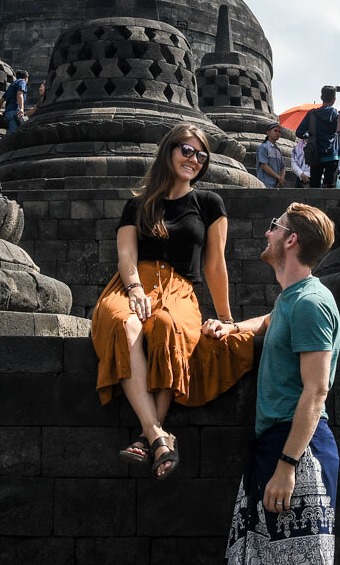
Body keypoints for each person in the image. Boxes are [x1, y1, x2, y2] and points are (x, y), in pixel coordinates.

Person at [90, 124, 254, 480]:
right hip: (130, 286)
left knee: (167, 326)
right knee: (125, 323)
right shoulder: (138, 204)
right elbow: (126, 255)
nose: (194, 160)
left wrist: (225, 317)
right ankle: (160, 437)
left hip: (179, 290)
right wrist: (134, 288)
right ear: (169, 151)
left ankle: (150, 434)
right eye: (187, 150)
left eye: (201, 155)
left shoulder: (209, 203)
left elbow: (214, 264)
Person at [209, 202, 340, 565]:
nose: (267, 232)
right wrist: (232, 327)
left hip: (299, 449)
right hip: (274, 443)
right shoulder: (291, 297)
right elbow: (269, 320)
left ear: (291, 240)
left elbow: (316, 390)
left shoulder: (311, 303)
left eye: (274, 226)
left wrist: (287, 466)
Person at [294, 86, 340, 189]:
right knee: (330, 186)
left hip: (315, 154)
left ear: (321, 97)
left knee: (314, 185)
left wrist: (309, 136)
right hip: (331, 154)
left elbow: (299, 132)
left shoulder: (312, 113)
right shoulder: (336, 114)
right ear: (334, 100)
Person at [255, 123, 286, 188]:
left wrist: (281, 179)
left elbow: (282, 167)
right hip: (265, 183)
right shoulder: (263, 147)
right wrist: (279, 178)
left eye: (279, 132)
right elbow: (264, 166)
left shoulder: (278, 150)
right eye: (275, 131)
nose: (277, 133)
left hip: (277, 184)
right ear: (268, 133)